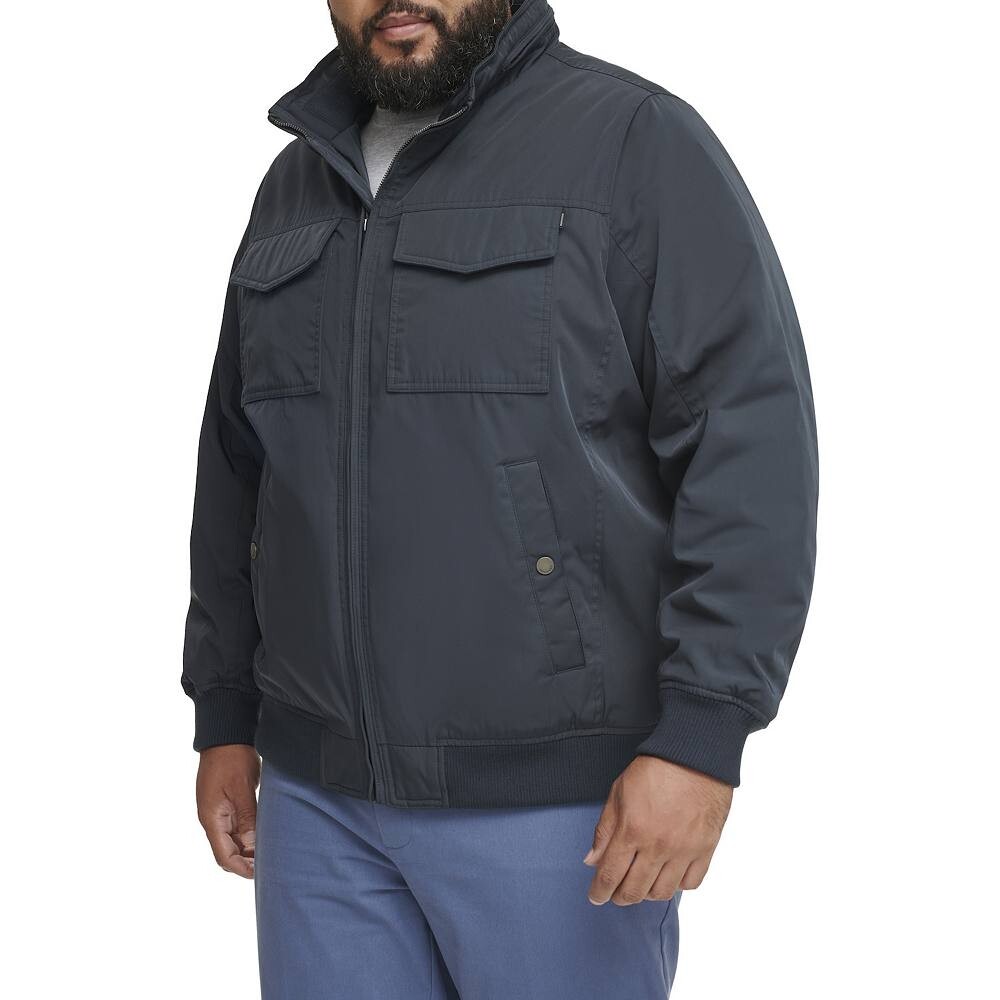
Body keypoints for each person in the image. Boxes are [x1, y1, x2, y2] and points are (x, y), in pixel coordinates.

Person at [182, 1, 818, 996]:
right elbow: (239, 470)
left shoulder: (632, 142)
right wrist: (225, 710)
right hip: (315, 801)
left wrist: (705, 738)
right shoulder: (295, 183)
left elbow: (750, 449)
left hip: (560, 804)